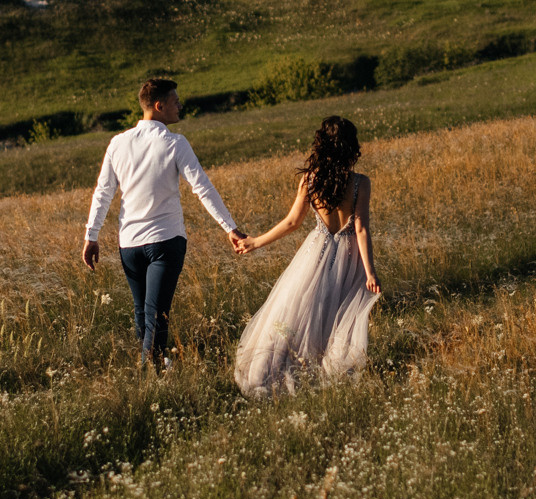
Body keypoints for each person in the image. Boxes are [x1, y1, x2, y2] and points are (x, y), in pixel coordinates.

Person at [80, 77, 246, 368]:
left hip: (129, 244)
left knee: (143, 313)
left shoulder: (118, 143)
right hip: (166, 241)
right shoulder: (174, 142)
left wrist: (91, 236)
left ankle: (152, 368)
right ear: (159, 106)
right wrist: (229, 227)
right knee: (156, 314)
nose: (180, 106)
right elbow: (202, 187)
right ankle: (152, 374)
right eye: (175, 101)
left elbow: (103, 192)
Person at [232, 116, 381, 399]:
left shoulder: (310, 180)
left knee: (300, 312)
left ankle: (286, 367)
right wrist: (370, 271)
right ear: (351, 146)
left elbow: (292, 222)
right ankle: (328, 372)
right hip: (349, 257)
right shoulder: (360, 183)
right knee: (336, 317)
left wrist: (256, 242)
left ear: (321, 146)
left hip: (315, 254)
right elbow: (361, 229)